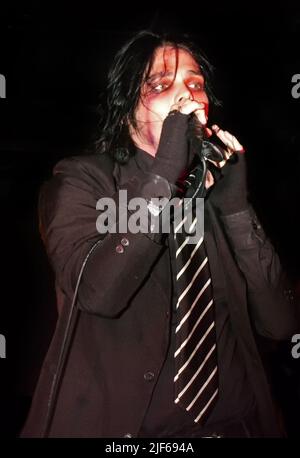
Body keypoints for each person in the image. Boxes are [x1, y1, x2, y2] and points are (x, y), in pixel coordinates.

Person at [21, 30, 297, 438]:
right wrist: (164, 173)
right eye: (161, 84)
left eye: (196, 83)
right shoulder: (83, 181)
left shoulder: (213, 194)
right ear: (127, 109)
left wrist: (237, 208)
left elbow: (281, 321)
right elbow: (99, 292)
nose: (186, 95)